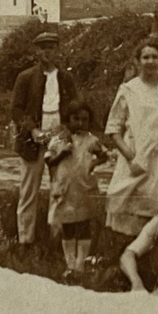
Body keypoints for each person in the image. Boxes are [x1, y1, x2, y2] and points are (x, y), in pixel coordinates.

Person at [104, 39, 158, 240]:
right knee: (135, 207)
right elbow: (113, 128)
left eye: (154, 57)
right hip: (137, 155)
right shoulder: (128, 89)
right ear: (137, 61)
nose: (150, 61)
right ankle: (131, 257)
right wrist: (129, 156)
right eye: (145, 57)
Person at [9, 31, 76, 245]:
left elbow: (76, 107)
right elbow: (16, 110)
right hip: (33, 139)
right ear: (37, 51)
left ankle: (57, 239)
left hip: (59, 137)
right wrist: (33, 131)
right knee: (28, 191)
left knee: (60, 188)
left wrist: (67, 129)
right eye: (43, 47)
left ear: (57, 50)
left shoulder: (66, 79)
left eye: (52, 47)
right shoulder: (26, 77)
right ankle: (25, 241)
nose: (48, 52)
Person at [44, 100, 109, 278]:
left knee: (83, 224)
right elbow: (48, 161)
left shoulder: (91, 140)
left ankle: (81, 264)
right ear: (67, 119)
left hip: (84, 188)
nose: (80, 123)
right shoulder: (59, 140)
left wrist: (92, 164)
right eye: (76, 119)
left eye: (84, 119)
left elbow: (104, 155)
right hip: (65, 189)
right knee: (68, 226)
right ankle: (70, 264)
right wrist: (62, 154)